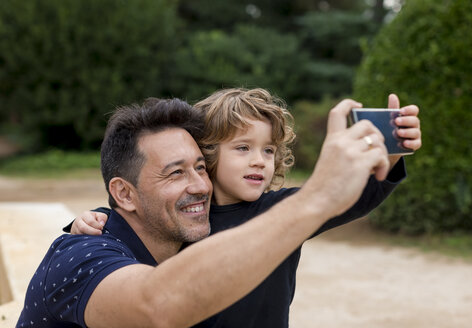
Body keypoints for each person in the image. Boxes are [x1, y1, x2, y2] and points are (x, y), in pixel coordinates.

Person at [67, 88, 422, 327]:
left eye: (268, 150)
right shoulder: (186, 217)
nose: (259, 161)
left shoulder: (283, 210)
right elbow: (132, 220)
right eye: (243, 148)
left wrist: (387, 158)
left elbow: (354, 197)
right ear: (207, 153)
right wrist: (83, 222)